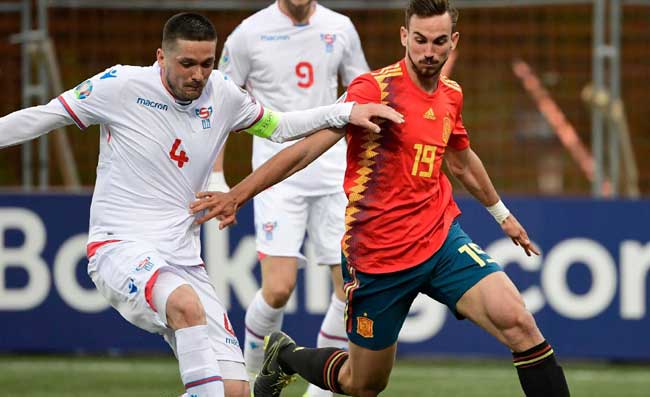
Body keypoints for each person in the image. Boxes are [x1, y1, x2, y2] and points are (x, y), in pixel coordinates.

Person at [0, 12, 402, 397]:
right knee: (185, 304)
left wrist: (345, 110)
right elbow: (43, 116)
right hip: (118, 248)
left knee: (234, 390)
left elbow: (278, 128)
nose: (198, 74)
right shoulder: (120, 85)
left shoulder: (223, 94)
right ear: (161, 57)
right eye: (187, 63)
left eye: (206, 63)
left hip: (183, 260)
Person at [189, 1, 572, 397]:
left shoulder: (450, 95)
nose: (428, 51)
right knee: (364, 382)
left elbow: (460, 162)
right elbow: (305, 150)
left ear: (452, 42)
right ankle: (286, 357)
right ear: (404, 36)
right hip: (378, 258)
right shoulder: (374, 89)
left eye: (439, 42)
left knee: (520, 324)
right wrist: (238, 194)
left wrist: (501, 214)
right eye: (419, 40)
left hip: (442, 243)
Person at [209, 1, 370, 395]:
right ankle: (248, 376)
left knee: (347, 289)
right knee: (279, 288)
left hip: (333, 174)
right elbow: (217, 105)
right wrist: (215, 175)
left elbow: (362, 93)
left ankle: (320, 389)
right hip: (278, 173)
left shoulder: (341, 27)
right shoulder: (249, 34)